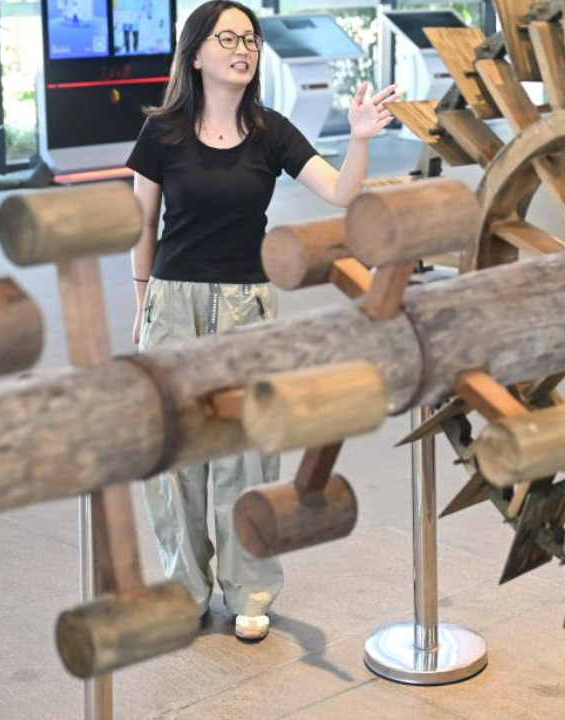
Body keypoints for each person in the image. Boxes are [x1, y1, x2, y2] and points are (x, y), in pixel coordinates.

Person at [126, 0, 398, 641]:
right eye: (227, 37)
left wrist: (358, 139)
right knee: (177, 456)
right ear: (197, 54)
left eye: (249, 37)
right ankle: (184, 588)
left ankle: (249, 589)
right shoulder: (162, 132)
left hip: (249, 305)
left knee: (250, 453)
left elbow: (340, 192)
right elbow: (141, 227)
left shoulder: (272, 132)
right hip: (174, 302)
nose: (242, 47)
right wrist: (141, 308)